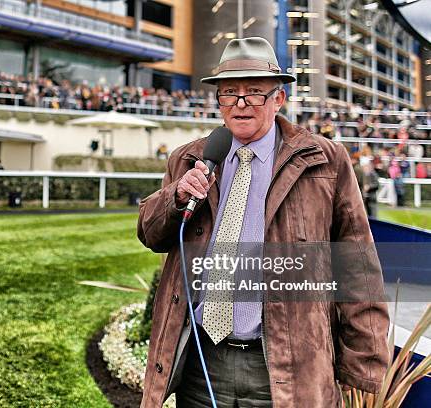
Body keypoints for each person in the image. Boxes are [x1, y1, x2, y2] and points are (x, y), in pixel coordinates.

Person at [137, 37, 389, 407]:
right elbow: (150, 232)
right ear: (218, 101)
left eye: (254, 92)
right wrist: (175, 196)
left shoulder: (325, 161)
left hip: (285, 368)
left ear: (279, 99)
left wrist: (362, 361)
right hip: (201, 364)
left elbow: (357, 263)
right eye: (229, 93)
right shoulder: (188, 158)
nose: (240, 104)